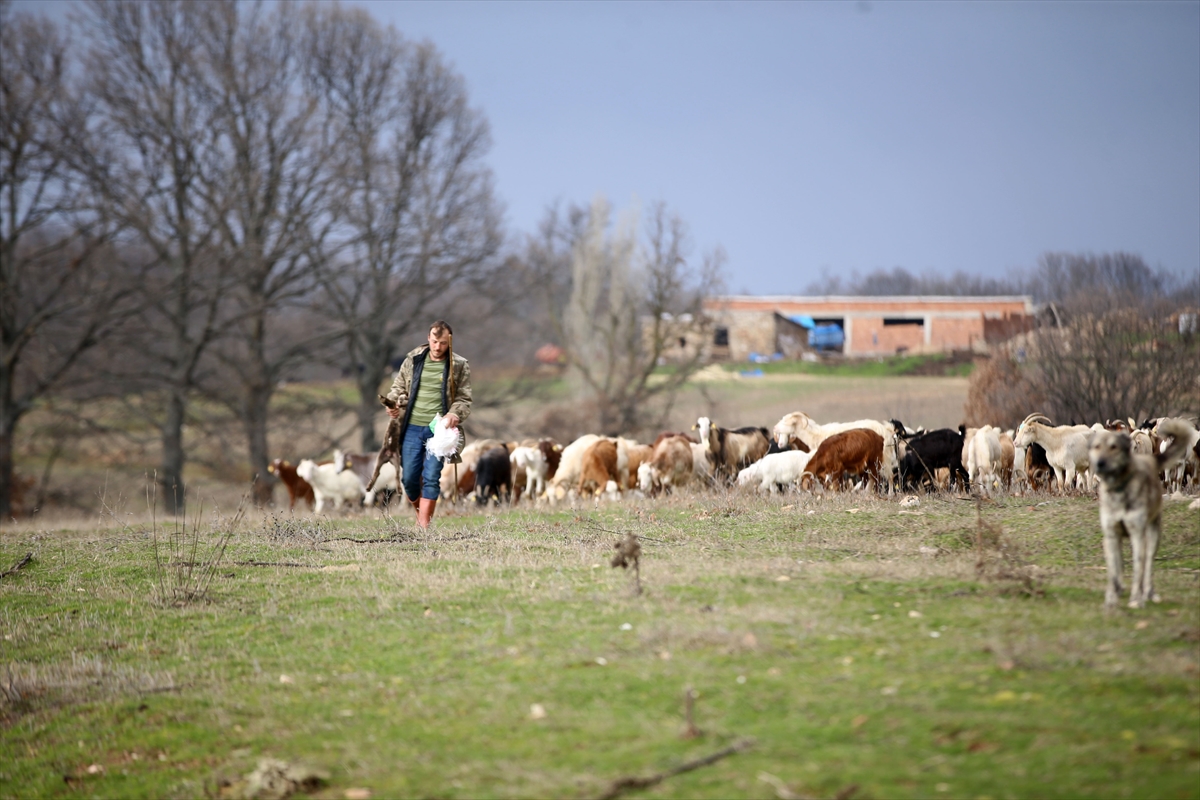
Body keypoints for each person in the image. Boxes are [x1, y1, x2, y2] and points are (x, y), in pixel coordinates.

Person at [385, 321, 472, 529]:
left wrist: (454, 413)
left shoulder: (459, 365)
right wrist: (393, 402)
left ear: (450, 341)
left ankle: (424, 526)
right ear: (428, 338)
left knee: (431, 476)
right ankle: (420, 514)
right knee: (409, 479)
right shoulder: (413, 359)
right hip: (411, 428)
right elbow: (398, 386)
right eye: (434, 342)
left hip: (439, 431)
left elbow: (464, 398)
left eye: (443, 343)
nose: (437, 347)